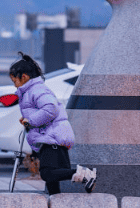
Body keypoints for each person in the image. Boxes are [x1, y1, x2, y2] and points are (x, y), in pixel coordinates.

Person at [9, 52, 97, 194]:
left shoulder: (36, 90)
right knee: (51, 180)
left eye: (15, 81)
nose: (14, 85)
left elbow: (51, 109)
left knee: (47, 174)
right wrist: (28, 120)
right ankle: (55, 202)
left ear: (24, 77)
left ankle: (86, 174)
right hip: (50, 138)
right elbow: (41, 111)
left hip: (52, 138)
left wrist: (31, 120)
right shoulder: (32, 91)